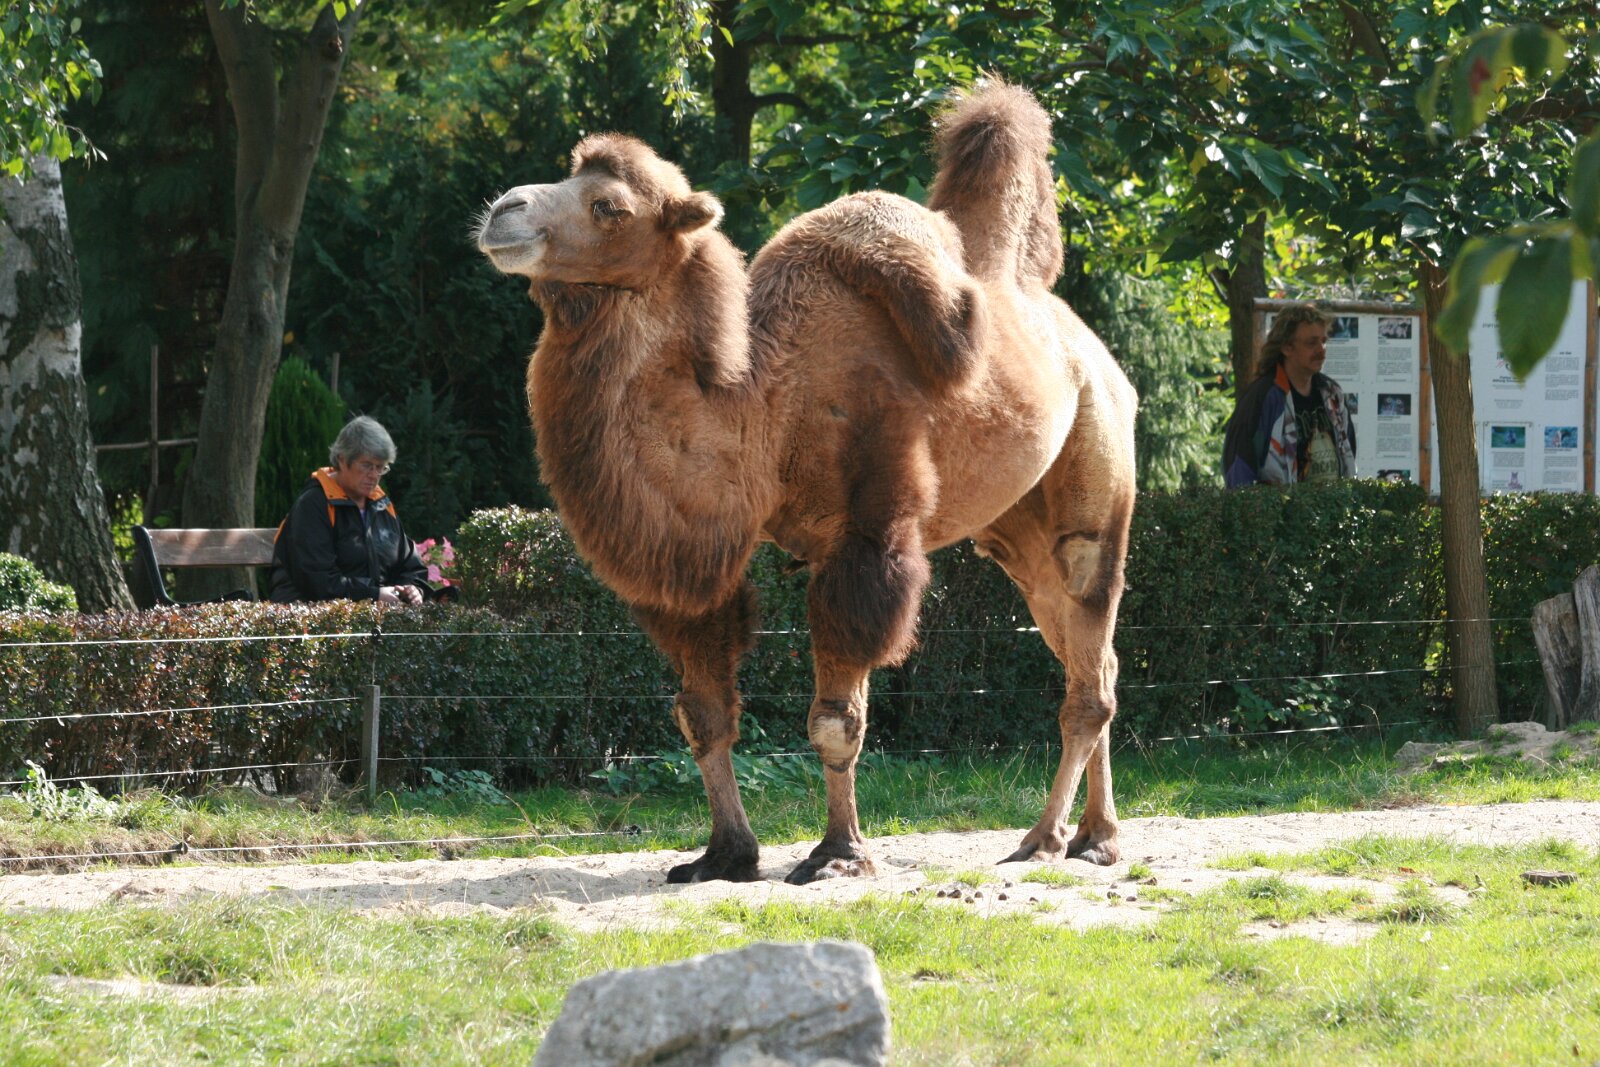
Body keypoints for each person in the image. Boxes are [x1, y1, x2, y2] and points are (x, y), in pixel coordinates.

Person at [269, 415, 435, 604]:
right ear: (342, 460)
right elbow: (317, 581)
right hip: (312, 614)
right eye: (367, 466)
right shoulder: (312, 504)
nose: (374, 475)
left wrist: (413, 588)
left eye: (380, 468)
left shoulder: (381, 504)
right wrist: (374, 595)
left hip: (373, 614)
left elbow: (409, 564)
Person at [1222, 304, 1356, 487]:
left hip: (1332, 504)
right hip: (1280, 505)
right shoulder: (1263, 398)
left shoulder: (1332, 393)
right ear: (1287, 347)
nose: (1321, 349)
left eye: (1324, 341)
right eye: (1312, 343)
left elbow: (1348, 452)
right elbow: (1238, 468)